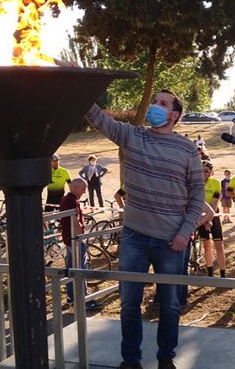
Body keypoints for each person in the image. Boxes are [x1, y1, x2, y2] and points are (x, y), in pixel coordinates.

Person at [85, 89, 203, 369]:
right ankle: (131, 360)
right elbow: (97, 118)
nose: (155, 107)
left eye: (163, 104)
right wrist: (81, 84)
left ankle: (166, 359)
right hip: (134, 238)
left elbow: (198, 194)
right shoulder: (132, 136)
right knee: (128, 305)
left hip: (171, 242)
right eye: (155, 102)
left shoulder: (187, 149)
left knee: (171, 306)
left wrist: (185, 232)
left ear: (174, 115)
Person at [59, 178, 103, 310]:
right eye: (83, 189)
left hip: (69, 239)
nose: (84, 192)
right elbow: (74, 221)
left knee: (72, 268)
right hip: (74, 240)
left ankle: (72, 297)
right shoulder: (71, 201)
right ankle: (83, 299)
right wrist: (80, 238)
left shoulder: (66, 199)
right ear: (76, 187)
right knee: (80, 270)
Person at [200, 161, 226, 277]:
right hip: (200, 216)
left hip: (213, 215)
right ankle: (210, 273)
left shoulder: (215, 183)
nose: (203, 173)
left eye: (206, 171)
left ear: (210, 172)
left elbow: (215, 203)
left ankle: (222, 273)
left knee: (219, 244)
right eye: (201, 171)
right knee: (206, 245)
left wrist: (210, 219)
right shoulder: (195, 183)